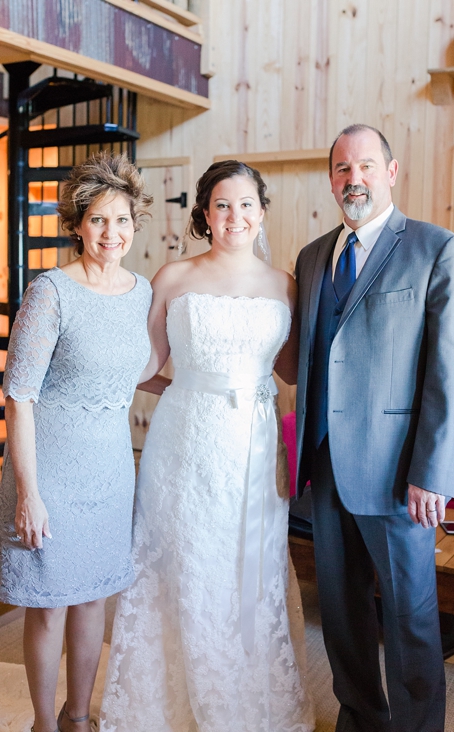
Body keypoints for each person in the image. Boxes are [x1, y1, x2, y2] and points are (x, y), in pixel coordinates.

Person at [99, 160, 314, 732]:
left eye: (246, 204)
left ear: (261, 212)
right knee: (183, 562)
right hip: (184, 442)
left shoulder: (284, 285)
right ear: (204, 214)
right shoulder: (173, 278)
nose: (235, 216)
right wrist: (188, 389)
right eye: (222, 205)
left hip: (255, 443)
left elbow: (290, 372)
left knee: (251, 565)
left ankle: (247, 699)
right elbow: (141, 366)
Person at [292, 124, 454, 732]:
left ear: (392, 172)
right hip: (324, 466)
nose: (355, 180)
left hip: (400, 473)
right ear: (331, 179)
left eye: (367, 166)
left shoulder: (437, 249)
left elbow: (453, 375)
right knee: (342, 612)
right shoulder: (313, 255)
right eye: (343, 169)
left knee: (411, 616)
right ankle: (361, 720)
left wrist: (433, 474)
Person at [0, 152, 152, 732]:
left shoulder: (141, 293)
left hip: (110, 471)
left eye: (121, 221)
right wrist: (29, 493)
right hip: (51, 474)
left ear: (135, 225)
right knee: (50, 603)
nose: (110, 233)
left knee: (94, 597)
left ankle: (78, 716)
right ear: (77, 225)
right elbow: (20, 395)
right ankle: (43, 723)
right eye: (97, 220)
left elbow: (133, 371)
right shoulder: (51, 293)